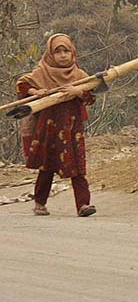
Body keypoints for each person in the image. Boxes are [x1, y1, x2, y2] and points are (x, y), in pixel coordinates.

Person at [16, 34, 97, 217]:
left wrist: (77, 91)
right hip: (49, 128)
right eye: (57, 51)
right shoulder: (42, 72)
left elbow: (91, 96)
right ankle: (40, 203)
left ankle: (83, 205)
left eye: (66, 51)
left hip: (72, 128)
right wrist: (36, 91)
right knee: (47, 165)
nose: (62, 55)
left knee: (77, 166)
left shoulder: (80, 76)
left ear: (72, 53)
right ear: (50, 54)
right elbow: (22, 85)